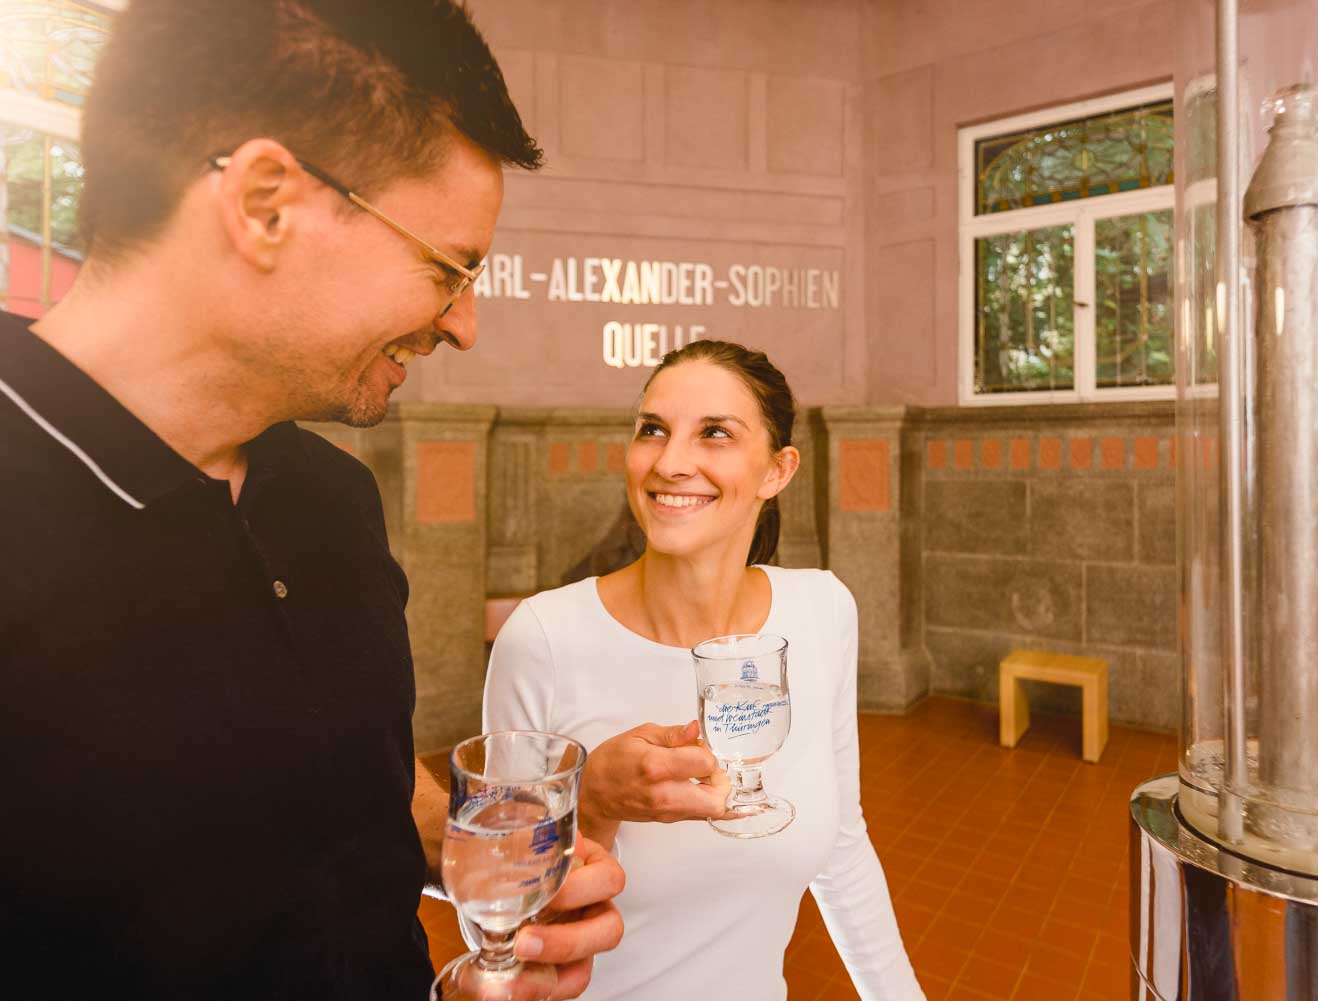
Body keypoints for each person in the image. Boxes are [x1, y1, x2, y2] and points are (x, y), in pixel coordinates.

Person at [0, 2, 622, 998]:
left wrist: (471, 852)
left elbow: (333, 788)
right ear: (264, 202)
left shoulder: (331, 498)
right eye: (449, 267)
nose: (464, 323)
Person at [483, 340, 926, 1000]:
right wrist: (595, 804)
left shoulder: (822, 610)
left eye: (714, 432)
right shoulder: (544, 639)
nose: (670, 461)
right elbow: (496, 923)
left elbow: (841, 847)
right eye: (652, 430)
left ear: (777, 470)